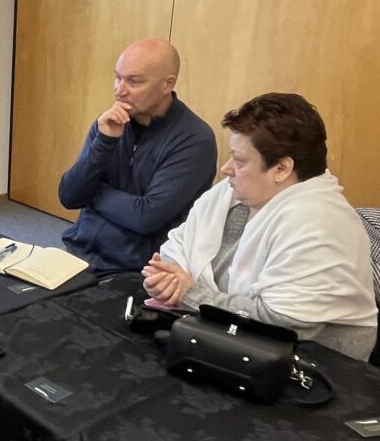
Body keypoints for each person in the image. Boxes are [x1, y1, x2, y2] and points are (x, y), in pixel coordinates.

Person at [143, 93, 377, 361]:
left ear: (281, 168)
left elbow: (282, 322)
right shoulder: (232, 192)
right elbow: (177, 247)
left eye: (239, 161)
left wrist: (190, 293)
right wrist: (169, 281)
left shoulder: (319, 222)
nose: (225, 169)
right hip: (226, 338)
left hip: (315, 366)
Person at [59, 38, 217, 274]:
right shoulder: (109, 124)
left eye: (133, 81)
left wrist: (92, 193)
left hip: (137, 270)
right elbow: (70, 196)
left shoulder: (195, 140)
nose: (119, 90)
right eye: (117, 77)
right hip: (77, 252)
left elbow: (145, 217)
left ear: (167, 84)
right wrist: (104, 142)